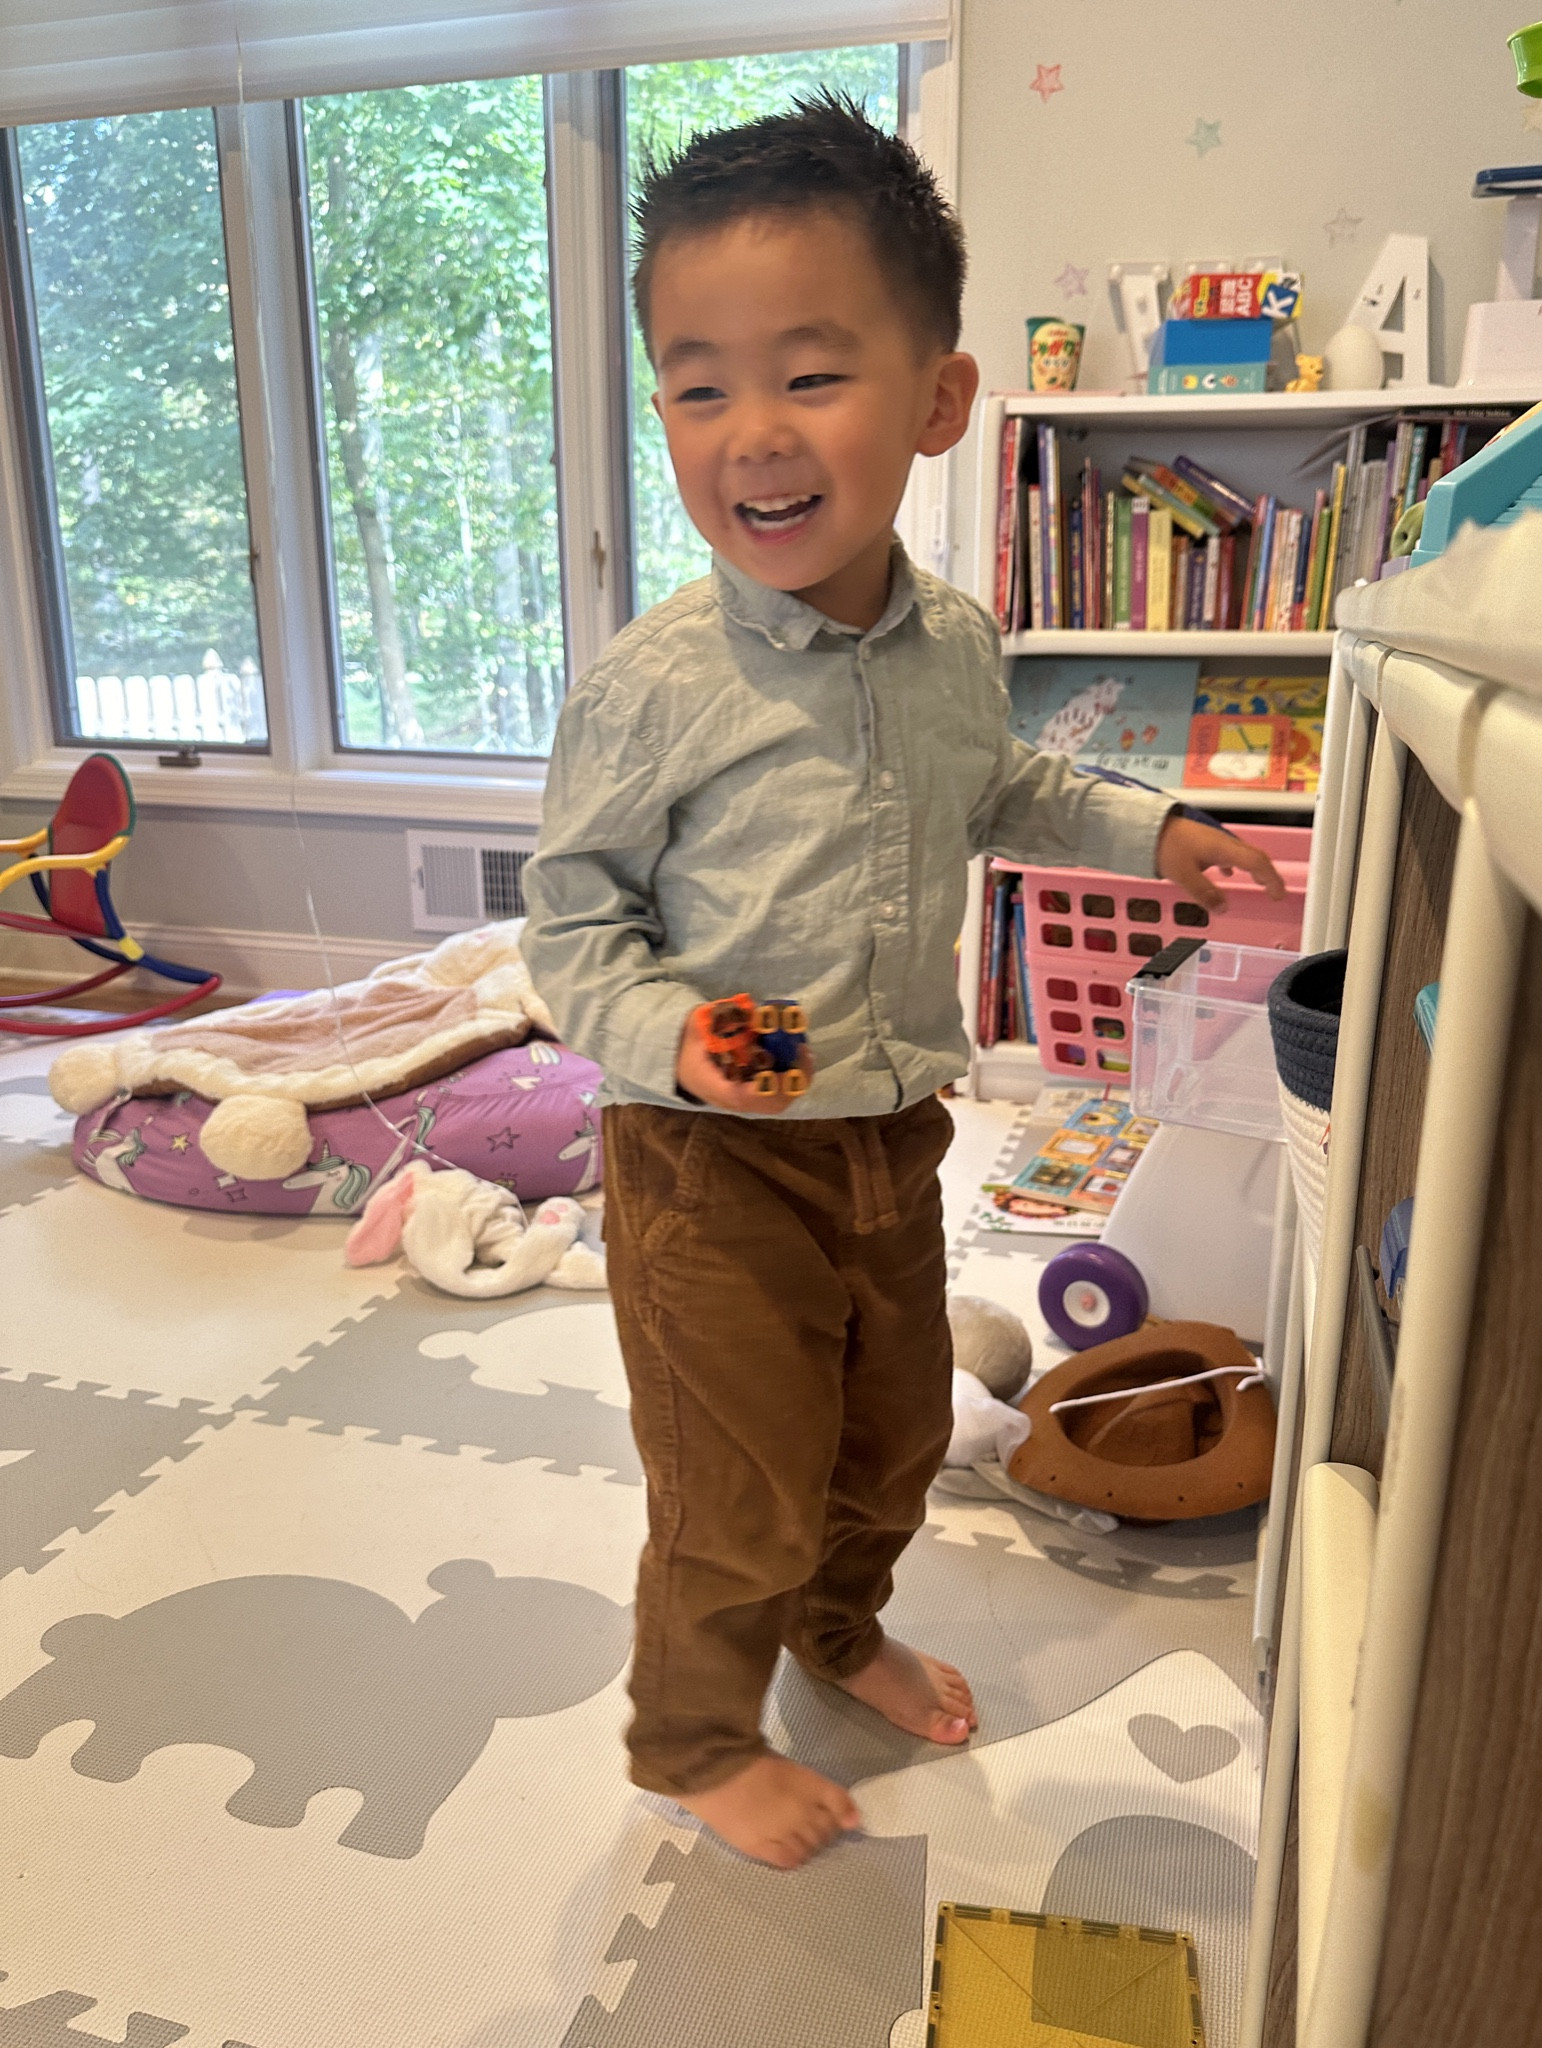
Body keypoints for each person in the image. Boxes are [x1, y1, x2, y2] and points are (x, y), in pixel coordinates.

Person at [521, 94, 1281, 1870]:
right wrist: (676, 1040)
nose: (754, 433)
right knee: (741, 1479)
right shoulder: (652, 688)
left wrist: (1154, 829)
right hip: (707, 1167)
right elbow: (566, 924)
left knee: (890, 1437)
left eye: (811, 374)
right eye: (698, 388)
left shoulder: (951, 642)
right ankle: (694, 1739)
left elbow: (1002, 786)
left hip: (890, 1137)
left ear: (938, 400)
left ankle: (835, 1621)